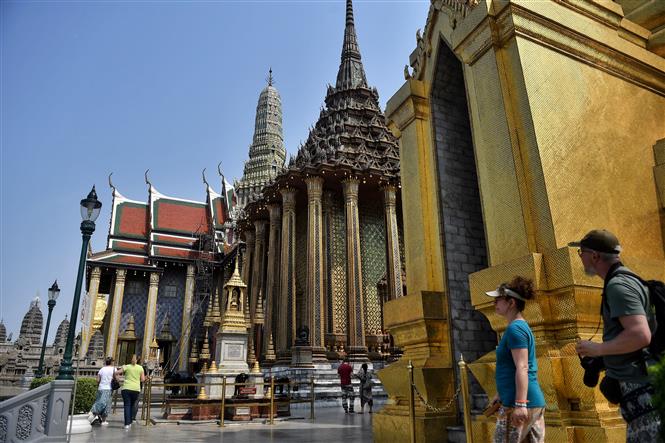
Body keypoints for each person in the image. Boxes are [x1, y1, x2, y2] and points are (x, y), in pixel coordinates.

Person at [571, 229, 661, 442]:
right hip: (639, 386)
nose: (580, 257)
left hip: (641, 389)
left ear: (594, 256)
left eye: (581, 252)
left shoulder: (618, 286)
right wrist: (602, 359)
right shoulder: (626, 280)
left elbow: (640, 334)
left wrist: (598, 348)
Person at [486, 276, 546, 442]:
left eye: (498, 299)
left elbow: (522, 367)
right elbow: (513, 367)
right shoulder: (519, 327)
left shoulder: (515, 330)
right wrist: (501, 393)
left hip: (518, 404)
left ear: (511, 303)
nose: (494, 303)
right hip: (527, 401)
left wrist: (520, 404)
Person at [116, 354, 145, 430]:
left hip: (126, 388)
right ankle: (131, 421)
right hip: (136, 389)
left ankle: (127, 424)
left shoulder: (126, 366)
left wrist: (117, 378)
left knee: (127, 406)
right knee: (132, 405)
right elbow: (142, 380)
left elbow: (116, 372)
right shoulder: (140, 368)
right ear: (137, 360)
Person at [88, 356, 116, 426]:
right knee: (104, 403)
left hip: (101, 388)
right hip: (108, 388)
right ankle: (93, 414)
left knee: (101, 401)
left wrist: (98, 385)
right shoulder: (114, 369)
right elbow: (117, 378)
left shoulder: (102, 369)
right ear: (112, 362)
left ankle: (102, 419)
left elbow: (97, 380)